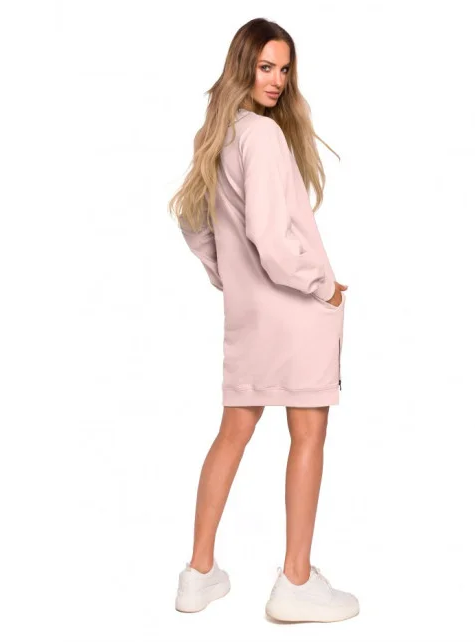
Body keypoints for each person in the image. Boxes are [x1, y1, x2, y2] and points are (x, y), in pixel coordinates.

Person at [167, 18, 358, 623]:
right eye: (266, 67)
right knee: (308, 437)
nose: (276, 80)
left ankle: (198, 573)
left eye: (284, 69)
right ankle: (295, 581)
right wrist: (324, 288)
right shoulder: (265, 137)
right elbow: (273, 242)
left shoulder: (219, 133)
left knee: (233, 433)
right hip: (296, 314)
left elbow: (192, 220)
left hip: (250, 318)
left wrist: (228, 276)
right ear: (243, 66)